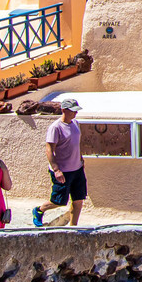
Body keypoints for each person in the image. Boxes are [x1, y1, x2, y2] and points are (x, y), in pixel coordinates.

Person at [33, 96, 86, 227]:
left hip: (77, 169)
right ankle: (39, 210)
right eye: (73, 110)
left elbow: (76, 143)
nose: (75, 113)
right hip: (63, 171)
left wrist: (80, 159)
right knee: (59, 200)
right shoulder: (55, 127)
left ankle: (74, 227)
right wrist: (56, 170)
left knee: (78, 199)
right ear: (64, 110)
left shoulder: (76, 124)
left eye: (76, 110)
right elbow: (49, 149)